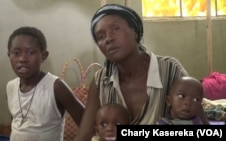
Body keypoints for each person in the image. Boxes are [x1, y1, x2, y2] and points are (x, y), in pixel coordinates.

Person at [74, 4, 209, 141]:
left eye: (115, 29)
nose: (108, 39)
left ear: (135, 32)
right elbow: (83, 136)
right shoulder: (101, 82)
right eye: (101, 37)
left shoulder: (170, 69)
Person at [6, 26, 85, 141]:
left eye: (30, 52)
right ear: (9, 55)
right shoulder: (10, 87)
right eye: (16, 53)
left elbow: (86, 122)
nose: (22, 58)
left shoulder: (56, 87)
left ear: (43, 56)